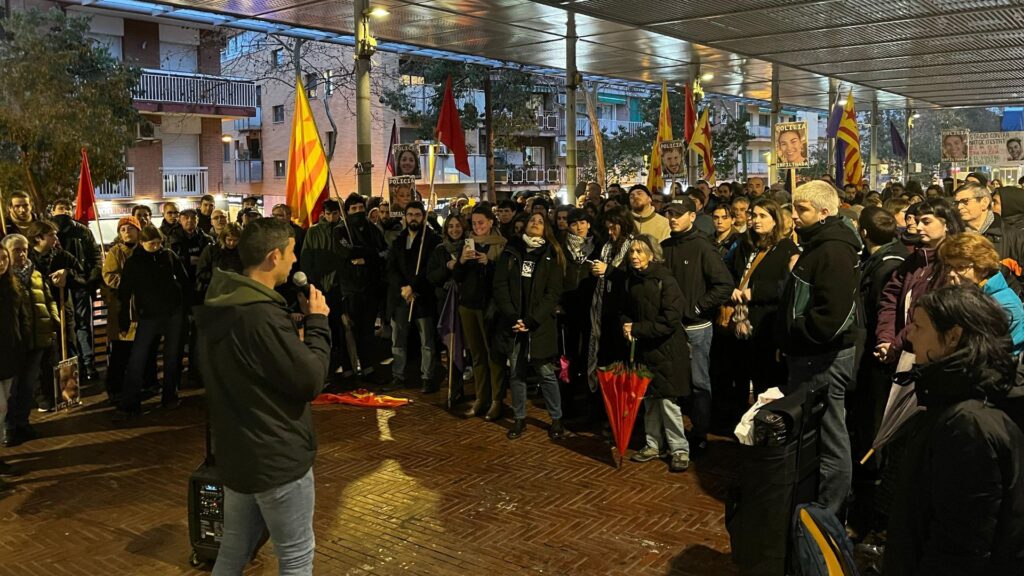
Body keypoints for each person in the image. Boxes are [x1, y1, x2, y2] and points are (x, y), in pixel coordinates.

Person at [195, 218, 331, 576]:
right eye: (291, 252)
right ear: (274, 256)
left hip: (238, 454)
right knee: (296, 556)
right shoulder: (259, 316)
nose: (295, 260)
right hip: (276, 456)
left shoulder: (222, 305)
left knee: (233, 549)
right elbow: (310, 380)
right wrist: (318, 324)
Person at [882, 285, 1024, 575]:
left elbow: (960, 549)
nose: (910, 335)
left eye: (919, 327)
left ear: (953, 337)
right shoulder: (953, 402)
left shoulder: (968, 424)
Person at [779, 181, 862, 517]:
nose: (794, 216)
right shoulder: (820, 244)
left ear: (825, 212)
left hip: (822, 357)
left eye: (802, 210)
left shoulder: (833, 251)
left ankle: (829, 510)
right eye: (794, 208)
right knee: (817, 431)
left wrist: (798, 331)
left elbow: (832, 316)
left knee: (830, 434)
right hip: (811, 354)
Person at [661, 200, 734, 457]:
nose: (673, 218)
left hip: (695, 328)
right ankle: (674, 434)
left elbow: (724, 284)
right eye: (669, 214)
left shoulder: (703, 246)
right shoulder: (665, 246)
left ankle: (700, 432)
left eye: (678, 214)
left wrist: (696, 308)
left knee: (698, 382)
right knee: (672, 382)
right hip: (670, 327)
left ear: (692, 216)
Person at [621, 235, 691, 471]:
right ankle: (653, 444)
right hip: (645, 350)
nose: (634, 256)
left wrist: (637, 329)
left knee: (668, 402)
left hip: (667, 350)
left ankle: (679, 449)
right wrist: (626, 326)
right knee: (648, 399)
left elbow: (670, 320)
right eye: (632, 252)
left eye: (640, 252)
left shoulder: (665, 280)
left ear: (652, 254)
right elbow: (625, 310)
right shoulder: (631, 280)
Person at [494, 212, 566, 440]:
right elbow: (500, 285)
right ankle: (519, 418)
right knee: (516, 372)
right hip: (514, 323)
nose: (535, 223)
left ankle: (556, 418)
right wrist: (512, 316)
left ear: (546, 229)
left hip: (539, 324)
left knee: (545, 372)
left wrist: (532, 320)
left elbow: (553, 292)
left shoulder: (552, 253)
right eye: (532, 220)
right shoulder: (511, 250)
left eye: (540, 221)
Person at [726, 197, 800, 409]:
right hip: (739, 320)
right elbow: (729, 272)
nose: (756, 220)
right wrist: (731, 288)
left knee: (764, 380)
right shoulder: (743, 244)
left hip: (766, 324)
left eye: (762, 216)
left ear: (775, 220)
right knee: (738, 376)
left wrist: (756, 292)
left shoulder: (786, 248)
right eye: (753, 215)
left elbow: (789, 286)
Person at [876, 198, 966, 367]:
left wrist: (896, 343)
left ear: (947, 224)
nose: (918, 227)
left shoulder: (955, 264)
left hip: (936, 355)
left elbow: (933, 314)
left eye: (926, 222)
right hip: (904, 352)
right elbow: (890, 299)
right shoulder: (914, 260)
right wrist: (886, 338)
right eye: (917, 221)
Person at [116, 225, 190, 418]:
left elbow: (184, 280)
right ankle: (131, 400)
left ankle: (170, 395)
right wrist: (124, 315)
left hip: (173, 311)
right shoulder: (134, 262)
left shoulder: (168, 256)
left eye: (159, 243)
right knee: (138, 357)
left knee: (172, 356)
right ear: (142, 243)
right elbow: (125, 290)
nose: (156, 247)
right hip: (148, 314)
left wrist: (185, 305)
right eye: (152, 244)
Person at [0, 234, 57, 448]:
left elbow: (47, 299)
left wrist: (53, 321)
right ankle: (9, 427)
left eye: (24, 249)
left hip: (37, 338)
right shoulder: (7, 279)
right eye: (16, 250)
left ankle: (22, 422)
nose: (22, 254)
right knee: (11, 390)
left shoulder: (36, 274)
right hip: (15, 343)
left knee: (28, 385)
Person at [453, 207, 508, 420]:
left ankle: (497, 399)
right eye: (474, 223)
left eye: (481, 223)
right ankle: (481, 397)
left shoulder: (501, 244)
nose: (477, 227)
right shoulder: (467, 243)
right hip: (468, 304)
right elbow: (458, 277)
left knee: (493, 354)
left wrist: (489, 263)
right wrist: (462, 261)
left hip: (490, 307)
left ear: (491, 222)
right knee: (476, 354)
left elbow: (505, 276)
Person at [386, 201, 440, 393]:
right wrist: (403, 288)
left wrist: (414, 287)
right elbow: (391, 267)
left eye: (417, 215)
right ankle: (398, 376)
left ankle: (427, 377)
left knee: (427, 341)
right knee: (398, 340)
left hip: (422, 298)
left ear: (423, 217)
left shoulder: (432, 240)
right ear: (405, 217)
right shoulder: (399, 240)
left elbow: (429, 268)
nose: (413, 218)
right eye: (410, 215)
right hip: (402, 298)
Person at [940, 232, 1024, 354]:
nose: (951, 273)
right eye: (950, 267)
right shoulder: (968, 295)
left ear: (983, 268)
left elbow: (975, 350)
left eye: (961, 267)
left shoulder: (1004, 305)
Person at [333, 195, 388, 378]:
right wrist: (370, 253)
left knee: (367, 330)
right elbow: (345, 252)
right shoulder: (341, 230)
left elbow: (384, 252)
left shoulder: (373, 229)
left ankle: (368, 367)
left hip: (371, 288)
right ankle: (349, 369)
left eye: (360, 208)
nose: (358, 212)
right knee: (349, 330)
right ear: (347, 211)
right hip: (350, 289)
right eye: (353, 209)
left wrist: (366, 258)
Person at [50, 199, 103, 380]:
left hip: (80, 285)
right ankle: (71, 368)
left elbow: (95, 256)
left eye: (68, 208)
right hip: (59, 287)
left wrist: (91, 279)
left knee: (83, 326)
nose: (64, 211)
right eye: (60, 208)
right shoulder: (49, 231)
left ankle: (88, 365)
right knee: (65, 328)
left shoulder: (83, 231)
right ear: (53, 211)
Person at [559, 208, 599, 419]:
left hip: (590, 306)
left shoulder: (597, 246)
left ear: (589, 224)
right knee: (568, 355)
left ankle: (588, 399)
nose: (579, 227)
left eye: (582, 222)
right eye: (574, 224)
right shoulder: (560, 246)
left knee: (589, 353)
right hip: (567, 308)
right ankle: (568, 401)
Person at [101, 216, 141, 404]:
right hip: (122, 307)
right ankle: (115, 387)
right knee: (121, 350)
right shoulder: (115, 252)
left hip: (141, 307)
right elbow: (109, 276)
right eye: (123, 229)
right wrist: (128, 284)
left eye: (130, 228)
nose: (127, 232)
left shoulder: (143, 250)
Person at [0, 241, 29, 478]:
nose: (1, 263)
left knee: (3, 407)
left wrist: (21, 344)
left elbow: (20, 318)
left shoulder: (11, 286)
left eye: (3, 259)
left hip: (8, 355)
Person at [953, 182, 1024, 274]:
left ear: (984, 202)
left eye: (965, 201)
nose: (959, 207)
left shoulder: (1014, 237)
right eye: (956, 203)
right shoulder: (953, 234)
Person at [196, 223, 244, 299]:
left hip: (237, 291)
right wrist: (219, 277)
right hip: (215, 291)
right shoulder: (211, 250)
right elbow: (201, 272)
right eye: (229, 239)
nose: (232, 243)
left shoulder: (242, 252)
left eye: (235, 240)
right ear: (224, 238)